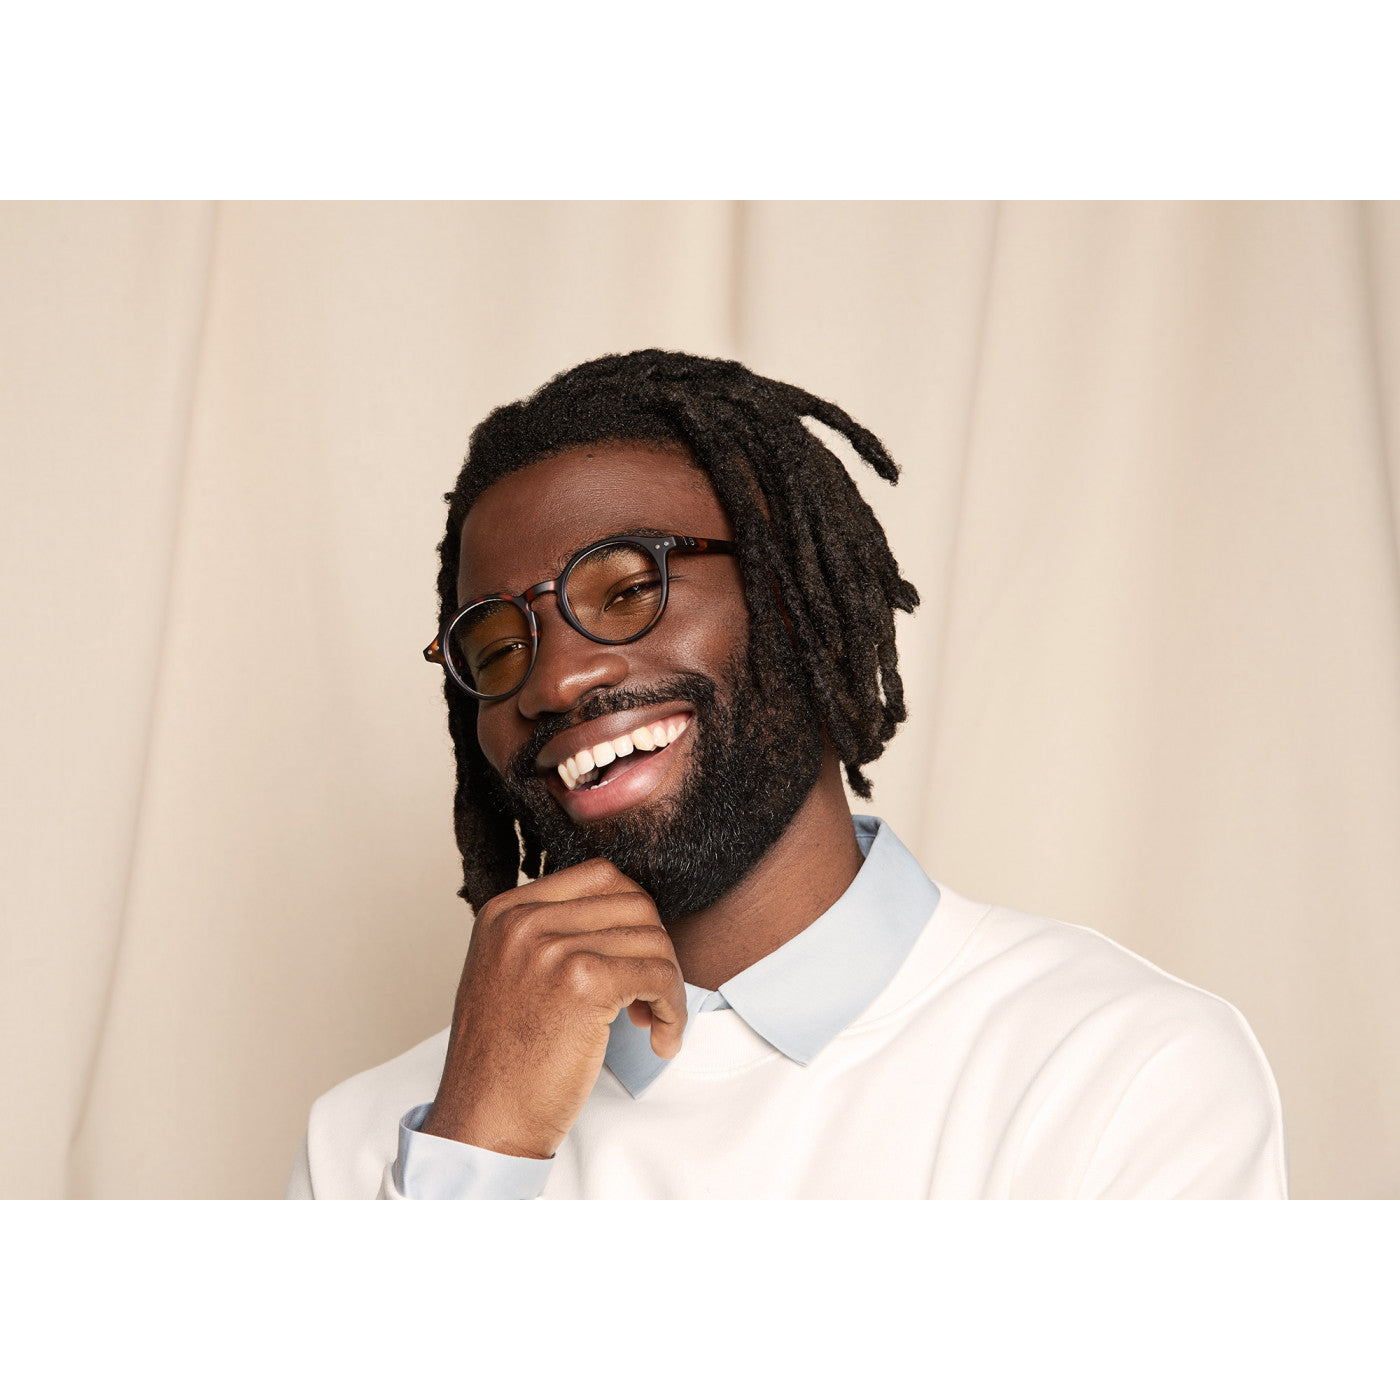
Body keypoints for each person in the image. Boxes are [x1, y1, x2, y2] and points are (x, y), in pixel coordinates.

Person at [286, 349, 1287, 1200]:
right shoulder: (381, 1140)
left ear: (795, 602)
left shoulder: (1120, 1069)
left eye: (627, 590)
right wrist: (476, 1159)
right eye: (500, 647)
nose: (556, 680)